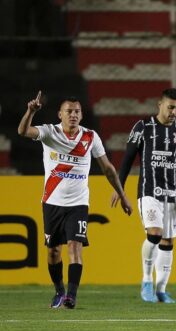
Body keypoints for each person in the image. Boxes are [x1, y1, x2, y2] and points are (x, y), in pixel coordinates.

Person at [18, 91, 133, 309]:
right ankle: (59, 290)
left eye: (77, 111)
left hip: (78, 203)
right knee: (53, 252)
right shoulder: (49, 132)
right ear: (60, 114)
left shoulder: (90, 136)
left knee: (75, 247)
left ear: (81, 115)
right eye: (69, 111)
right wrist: (30, 111)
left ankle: (71, 296)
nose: (73, 115)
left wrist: (122, 194)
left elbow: (108, 168)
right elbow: (23, 131)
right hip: (52, 201)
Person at [111, 88, 176, 304]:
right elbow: (128, 158)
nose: (174, 111)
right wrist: (119, 188)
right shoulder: (143, 127)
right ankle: (146, 279)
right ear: (160, 104)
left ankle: (161, 289)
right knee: (154, 234)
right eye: (170, 107)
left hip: (173, 193)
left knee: (168, 241)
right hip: (149, 191)